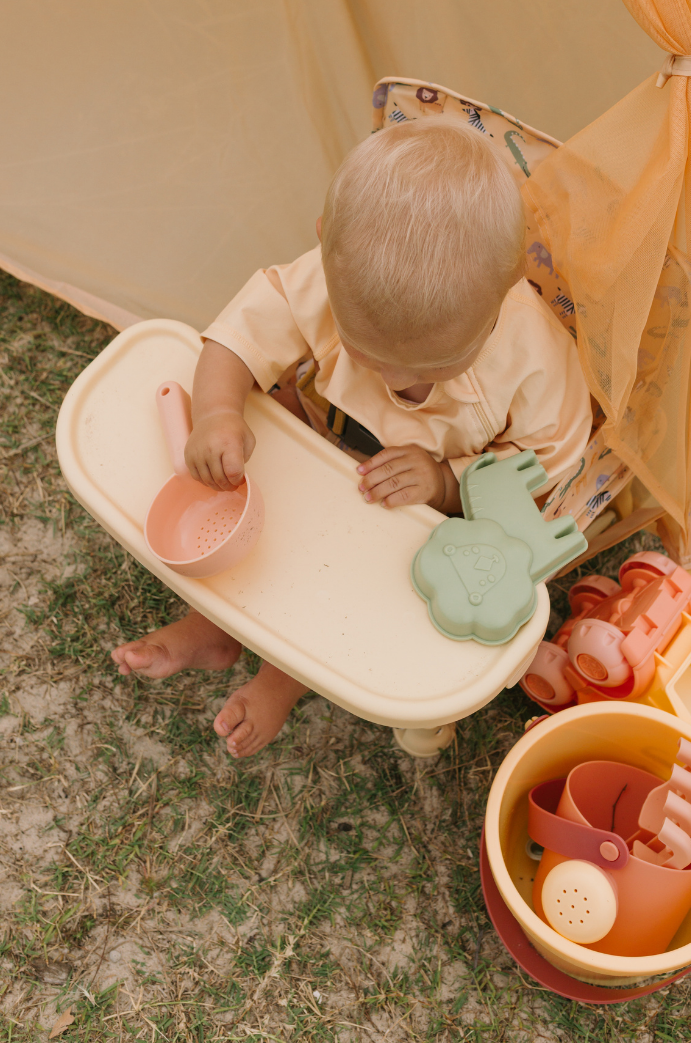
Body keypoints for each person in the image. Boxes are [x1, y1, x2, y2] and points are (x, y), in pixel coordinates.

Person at [111, 116, 591, 757]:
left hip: (413, 513)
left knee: (349, 585)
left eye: (428, 369)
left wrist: (448, 483)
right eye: (369, 355)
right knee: (257, 523)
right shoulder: (330, 274)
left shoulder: (532, 356)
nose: (394, 380)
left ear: (504, 295)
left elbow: (545, 469)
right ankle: (214, 628)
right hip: (317, 437)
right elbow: (240, 333)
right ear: (324, 247)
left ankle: (280, 681)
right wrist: (219, 412)